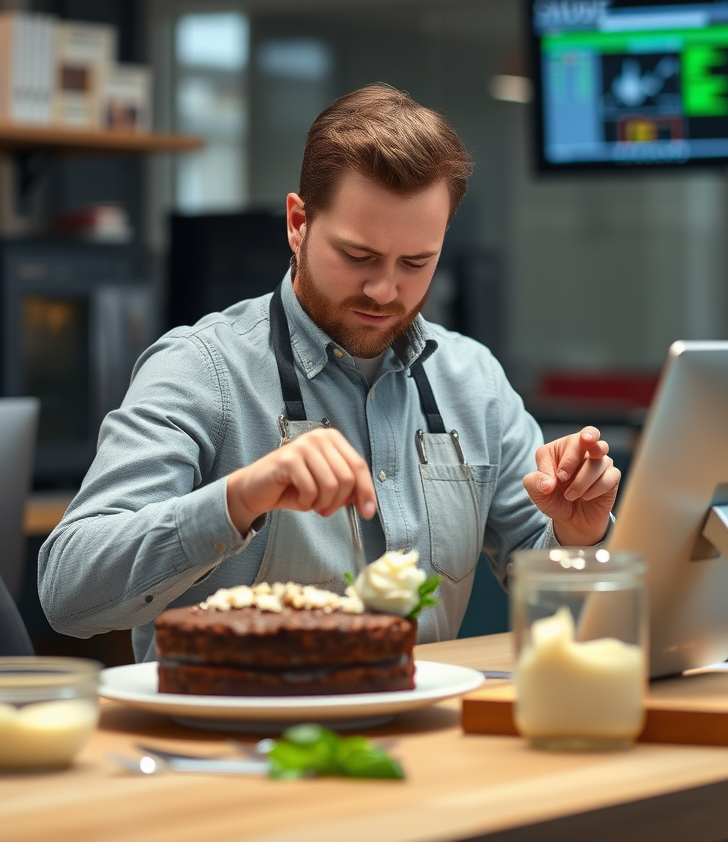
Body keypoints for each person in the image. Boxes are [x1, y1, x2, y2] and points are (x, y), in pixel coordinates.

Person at [38, 84, 620, 660]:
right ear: (298, 223)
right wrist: (238, 500)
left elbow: (563, 606)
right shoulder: (201, 368)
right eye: (358, 257)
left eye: (416, 263)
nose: (384, 289)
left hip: (423, 738)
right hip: (243, 741)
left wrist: (578, 534)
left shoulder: (472, 379)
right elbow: (69, 590)